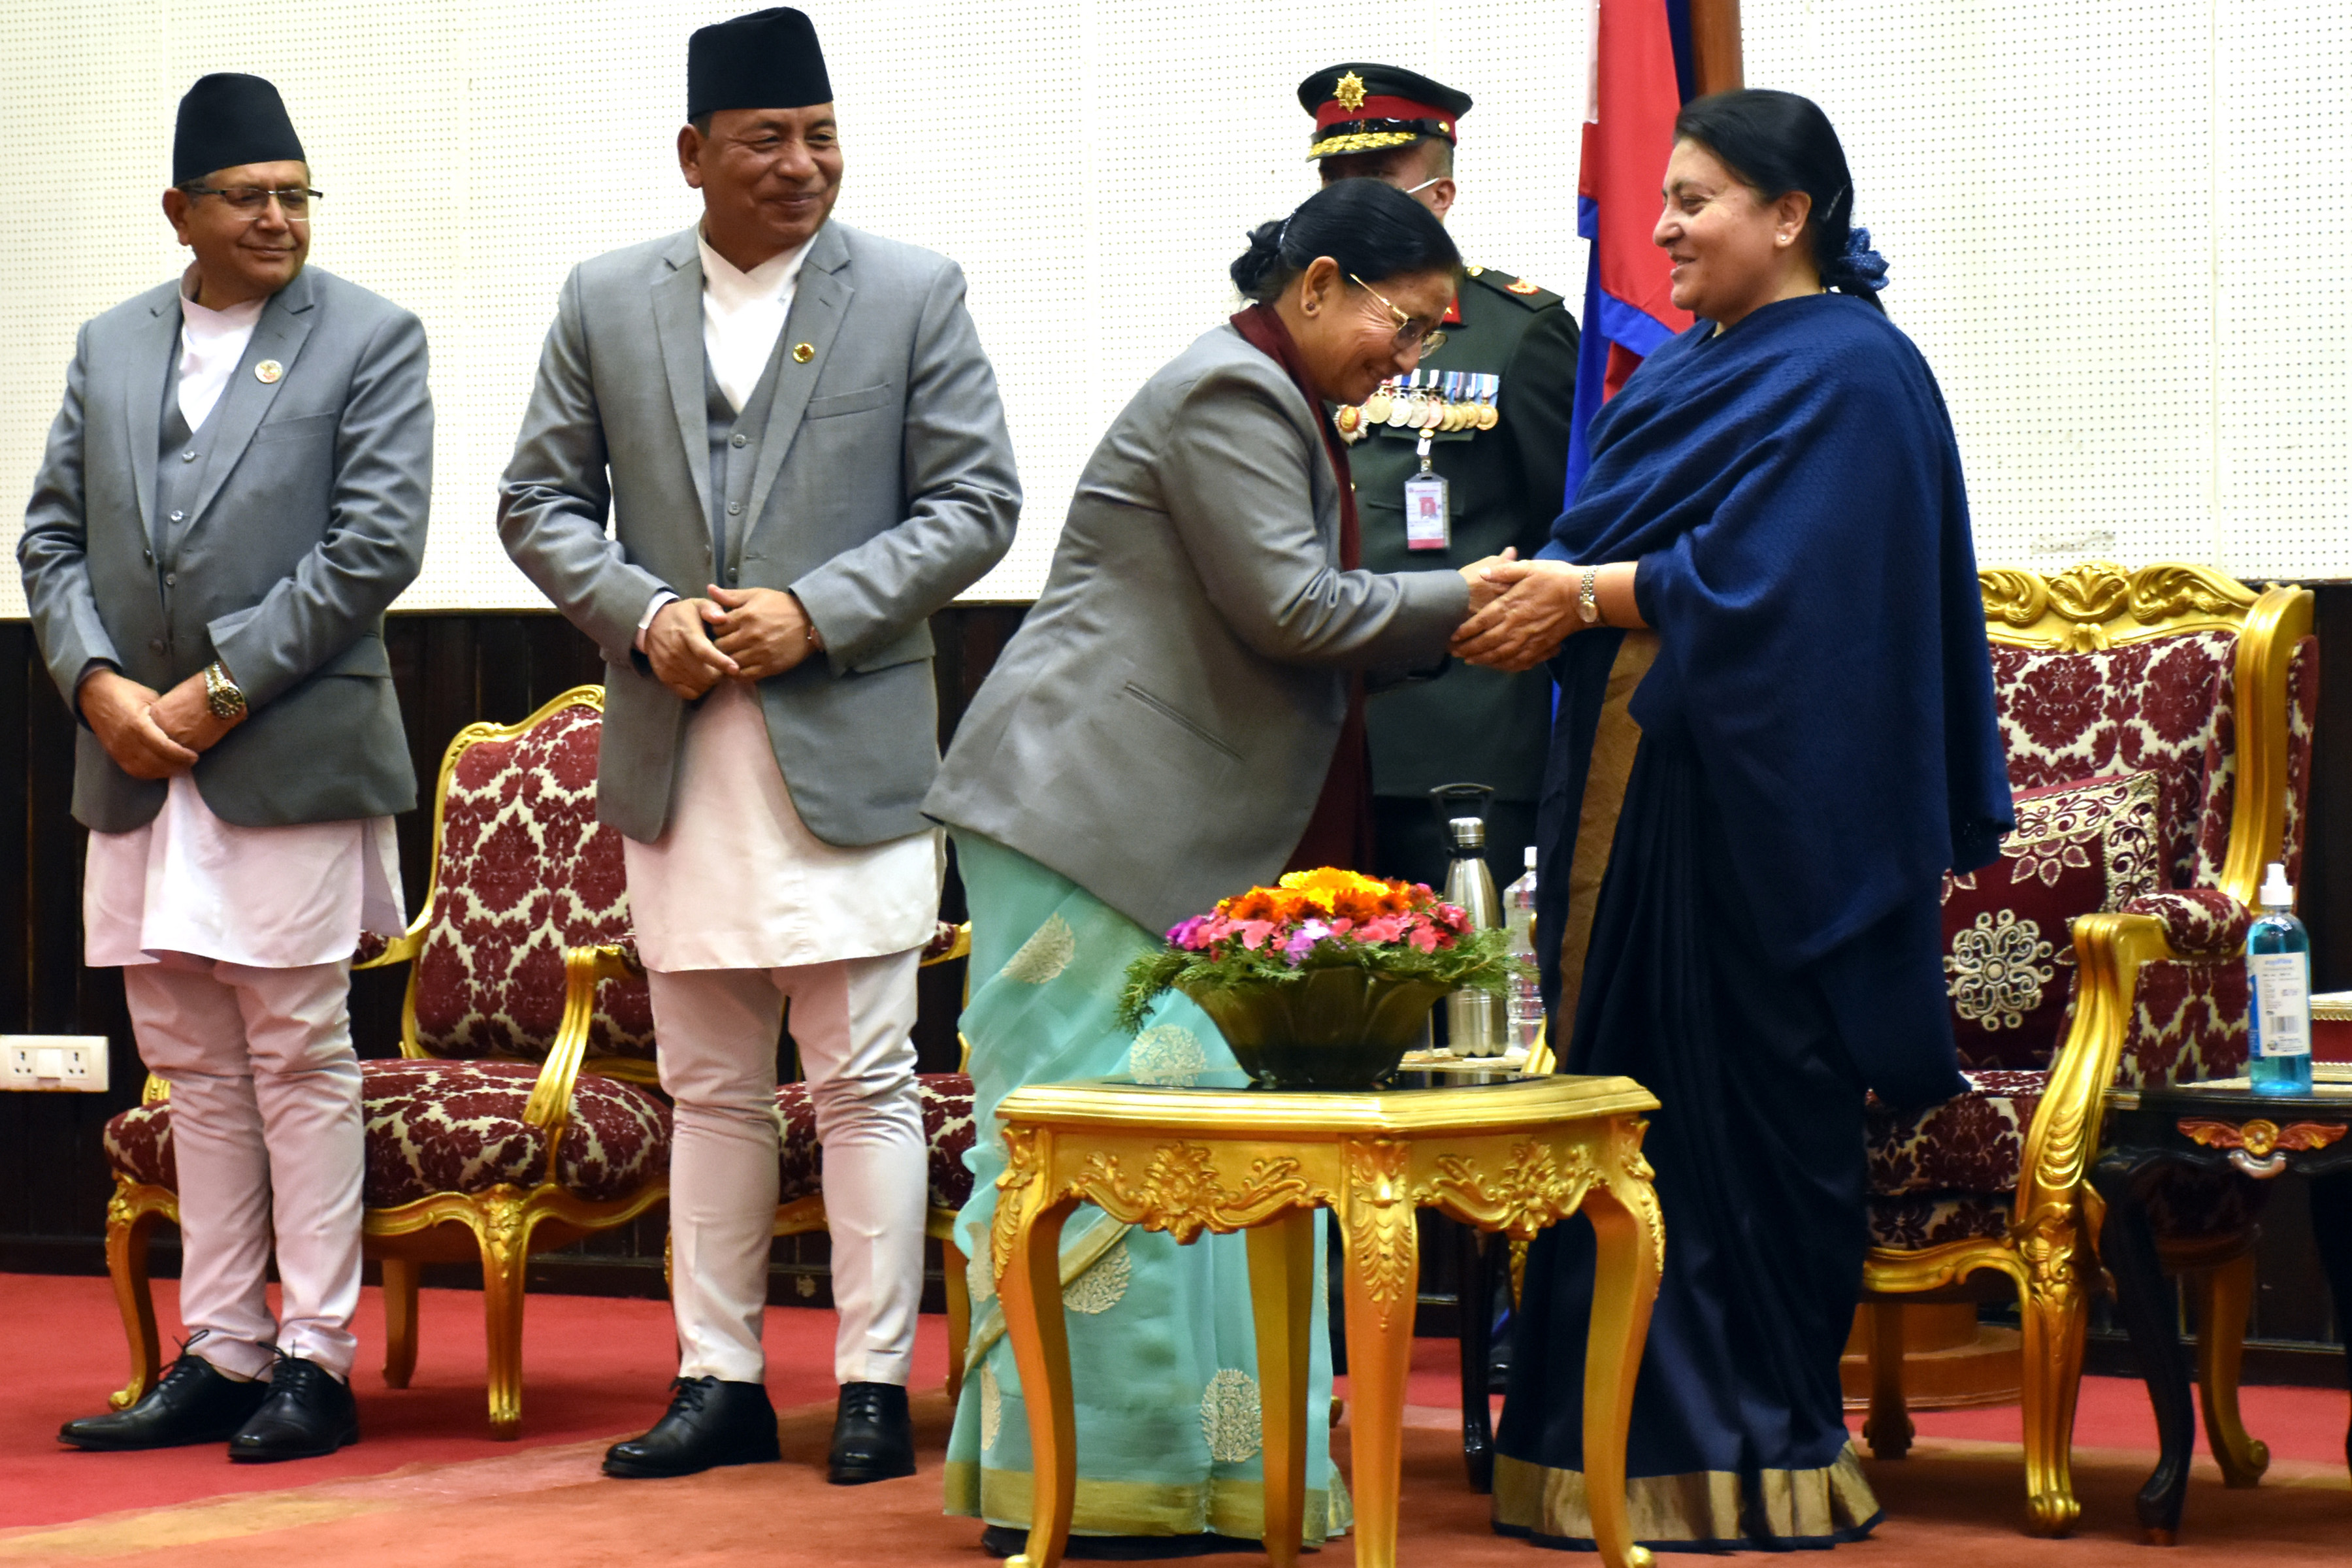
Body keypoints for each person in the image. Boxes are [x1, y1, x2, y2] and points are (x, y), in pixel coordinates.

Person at [1456, 91, 2014, 1551]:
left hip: (1767, 828)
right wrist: (1541, 589)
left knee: (1737, 1142)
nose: (1659, 230)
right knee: (1623, 1118)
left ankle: (1751, 1454)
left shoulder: (1856, 373)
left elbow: (1791, 596)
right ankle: (1592, 1453)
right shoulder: (1696, 367)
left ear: (1790, 214)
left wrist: (1585, 595)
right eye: (1662, 198)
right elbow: (1615, 536)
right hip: (1636, 805)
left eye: (1694, 200)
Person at [924, 178, 1488, 1556]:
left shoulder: (1272, 393)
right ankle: (1082, 1486)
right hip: (1087, 822)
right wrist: (1480, 597)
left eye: (1431, 338)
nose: (1410, 361)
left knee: (1209, 1150)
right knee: (1099, 1150)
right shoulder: (1229, 394)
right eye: (1406, 326)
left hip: (1153, 832)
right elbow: (1293, 607)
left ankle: (1204, 1476)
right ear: (1321, 285)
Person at [497, 6, 1019, 1486]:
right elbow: (536, 504)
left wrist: (816, 609)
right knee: (710, 1083)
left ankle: (871, 1382)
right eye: (767, 140)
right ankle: (717, 1376)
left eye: (821, 137)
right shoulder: (606, 299)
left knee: (862, 1075)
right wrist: (645, 612)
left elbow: (978, 501)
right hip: (678, 754)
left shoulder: (911, 291)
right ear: (694, 154)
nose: (802, 166)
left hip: (849, 748)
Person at [27, 74, 431, 1462]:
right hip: (135, 758)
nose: (278, 219)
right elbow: (50, 541)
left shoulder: (370, 335)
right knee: (191, 1064)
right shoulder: (112, 344)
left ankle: (316, 1358)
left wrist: (216, 691)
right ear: (179, 211)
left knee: (300, 1052)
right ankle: (220, 1349)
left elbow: (375, 546)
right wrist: (97, 685)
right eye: (247, 198)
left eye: (296, 196)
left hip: (287, 749)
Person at [1301, 63, 1580, 891]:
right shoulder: (1291, 333)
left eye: (1377, 178)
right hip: (1311, 732)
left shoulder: (1517, 333)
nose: (1349, 200)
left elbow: (1574, 524)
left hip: (1460, 745)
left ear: (1439, 197)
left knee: (1463, 969)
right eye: (1334, 179)